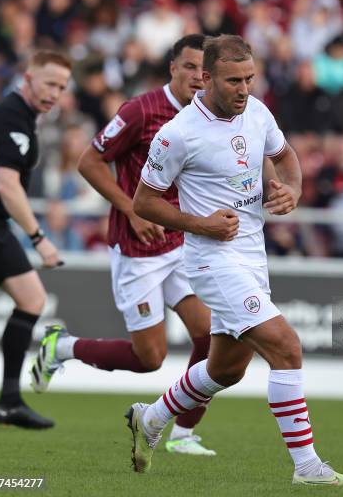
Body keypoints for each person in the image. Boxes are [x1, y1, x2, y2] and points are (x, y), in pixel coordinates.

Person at [130, 35, 343, 486]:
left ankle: (150, 419)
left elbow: (284, 156)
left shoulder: (257, 110)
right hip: (211, 259)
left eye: (250, 78)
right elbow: (143, 203)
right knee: (286, 346)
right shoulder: (177, 133)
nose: (244, 88)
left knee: (226, 370)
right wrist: (200, 224)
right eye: (234, 80)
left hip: (253, 254)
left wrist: (290, 188)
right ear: (207, 77)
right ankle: (307, 466)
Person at [28, 35, 215, 455]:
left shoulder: (208, 115)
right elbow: (89, 162)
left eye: (205, 71)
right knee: (150, 358)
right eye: (189, 67)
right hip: (138, 249)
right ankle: (63, 347)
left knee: (210, 335)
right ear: (173, 68)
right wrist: (132, 209)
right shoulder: (141, 110)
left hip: (180, 245)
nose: (197, 78)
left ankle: (184, 434)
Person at [0, 51, 71, 429]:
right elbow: (7, 185)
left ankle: (9, 402)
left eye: (61, 87)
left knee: (33, 299)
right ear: (28, 78)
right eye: (49, 83)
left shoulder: (23, 117)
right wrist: (39, 237)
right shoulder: (10, 115)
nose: (54, 93)